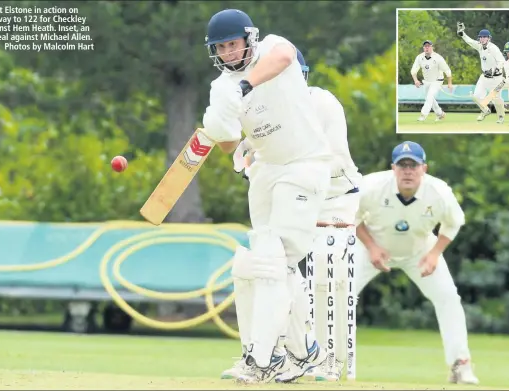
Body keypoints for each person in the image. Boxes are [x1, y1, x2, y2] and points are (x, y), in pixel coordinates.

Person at [202, 9, 332, 384]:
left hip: (305, 163)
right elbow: (228, 146)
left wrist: (242, 88)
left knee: (276, 260)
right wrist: (217, 122)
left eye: (232, 44)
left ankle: (262, 360)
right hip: (266, 170)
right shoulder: (219, 87)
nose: (228, 53)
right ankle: (303, 351)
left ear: (248, 38)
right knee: (258, 265)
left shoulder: (272, 47)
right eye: (221, 48)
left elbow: (285, 58)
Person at [228, 50, 362, 383]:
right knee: (262, 265)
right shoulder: (269, 111)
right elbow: (254, 151)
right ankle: (287, 353)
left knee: (312, 270)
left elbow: (326, 159)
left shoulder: (323, 103)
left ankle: (307, 356)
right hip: (292, 195)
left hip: (334, 199)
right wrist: (248, 159)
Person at [351, 141, 480, 385]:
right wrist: (371, 246)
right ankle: (327, 361)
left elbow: (454, 223)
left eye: (413, 165)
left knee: (448, 298)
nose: (407, 171)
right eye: (402, 165)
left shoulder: (439, 192)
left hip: (420, 251)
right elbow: (350, 215)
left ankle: (460, 365)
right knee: (341, 295)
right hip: (371, 247)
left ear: (424, 168)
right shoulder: (370, 187)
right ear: (393, 168)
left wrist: (434, 254)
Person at [456, 24, 506, 123]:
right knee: (476, 96)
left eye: (484, 37)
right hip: (484, 77)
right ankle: (485, 110)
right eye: (481, 37)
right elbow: (470, 41)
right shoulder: (479, 46)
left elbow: (501, 61)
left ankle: (501, 117)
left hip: (496, 78)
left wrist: (495, 69)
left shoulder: (493, 48)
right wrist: (462, 34)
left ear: (489, 38)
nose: (482, 39)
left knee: (497, 99)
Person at [410, 40, 453, 122]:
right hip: (426, 81)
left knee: (430, 96)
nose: (427, 48)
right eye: (425, 46)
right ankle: (440, 114)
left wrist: (449, 83)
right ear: (423, 48)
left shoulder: (438, 58)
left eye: (428, 46)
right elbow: (413, 71)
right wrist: (416, 80)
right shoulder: (419, 57)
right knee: (429, 98)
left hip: (437, 81)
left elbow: (447, 70)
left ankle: (423, 115)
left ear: (432, 47)